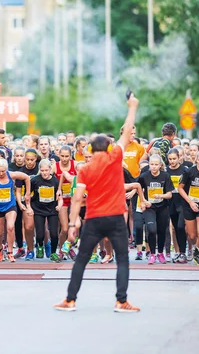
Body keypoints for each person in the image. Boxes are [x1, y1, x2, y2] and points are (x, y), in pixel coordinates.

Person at [54, 92, 141, 313]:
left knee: (81, 260)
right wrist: (132, 106)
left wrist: (73, 224)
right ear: (108, 148)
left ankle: (70, 300)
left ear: (92, 150)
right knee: (122, 259)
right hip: (115, 217)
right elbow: (128, 131)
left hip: (93, 218)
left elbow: (76, 199)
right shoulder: (115, 159)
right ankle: (121, 301)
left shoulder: (85, 169)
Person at [0, 159, 32, 262]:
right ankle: (0, 248)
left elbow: (27, 178)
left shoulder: (11, 175)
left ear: (6, 169)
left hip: (10, 205)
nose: (1, 173)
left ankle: (10, 252)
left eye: (3, 171)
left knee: (10, 227)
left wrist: (27, 193)